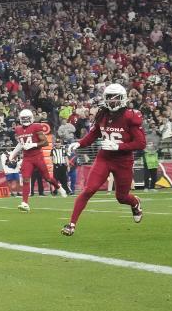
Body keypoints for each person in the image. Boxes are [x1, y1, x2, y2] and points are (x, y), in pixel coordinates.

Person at [62, 84, 145, 236]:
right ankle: (71, 224)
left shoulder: (130, 116)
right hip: (105, 158)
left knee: (122, 197)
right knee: (89, 189)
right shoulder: (102, 114)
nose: (112, 101)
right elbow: (93, 135)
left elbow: (141, 143)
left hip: (123, 161)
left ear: (123, 99)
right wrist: (79, 143)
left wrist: (118, 147)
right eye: (110, 98)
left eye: (116, 98)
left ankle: (135, 203)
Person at [11, 109, 66, 211]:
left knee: (48, 178)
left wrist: (33, 144)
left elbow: (45, 142)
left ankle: (58, 187)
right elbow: (20, 143)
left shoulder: (36, 126)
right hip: (27, 158)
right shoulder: (18, 129)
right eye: (24, 118)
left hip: (38, 156)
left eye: (27, 118)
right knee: (26, 179)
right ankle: (25, 203)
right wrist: (13, 154)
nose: (26, 120)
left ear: (31, 118)